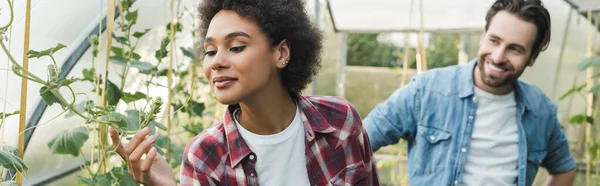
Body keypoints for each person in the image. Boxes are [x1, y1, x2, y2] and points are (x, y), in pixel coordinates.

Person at [109, 0, 379, 185]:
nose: (216, 61)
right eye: (210, 51)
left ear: (281, 53)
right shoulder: (204, 156)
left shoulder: (340, 121)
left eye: (236, 47)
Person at [363, 0, 576, 186]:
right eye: (494, 41)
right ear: (483, 36)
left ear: (532, 57)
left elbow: (564, 168)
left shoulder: (540, 111)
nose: (498, 56)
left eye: (515, 49)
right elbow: (357, 142)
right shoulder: (427, 91)